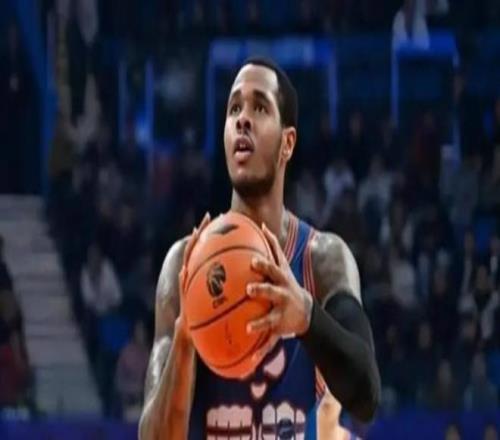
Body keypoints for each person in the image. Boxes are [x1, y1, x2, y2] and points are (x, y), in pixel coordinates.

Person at [139, 57, 381, 439]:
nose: (243, 120)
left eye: (260, 108)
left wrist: (306, 317)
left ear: (288, 143)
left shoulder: (320, 260)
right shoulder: (183, 266)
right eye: (234, 108)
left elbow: (366, 396)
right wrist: (186, 336)